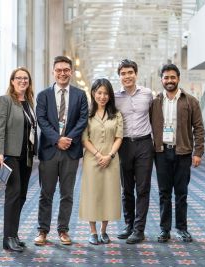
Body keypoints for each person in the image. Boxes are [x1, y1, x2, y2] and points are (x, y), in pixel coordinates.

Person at [34, 56, 88, 246]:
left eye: (66, 70)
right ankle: (42, 231)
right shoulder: (43, 95)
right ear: (53, 72)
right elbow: (41, 120)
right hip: (49, 150)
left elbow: (83, 120)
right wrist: (57, 139)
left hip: (70, 152)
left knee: (67, 194)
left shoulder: (80, 95)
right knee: (45, 193)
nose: (62, 73)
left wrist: (67, 140)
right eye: (59, 70)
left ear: (71, 72)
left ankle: (63, 230)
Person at [151, 63, 205, 243]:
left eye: (172, 77)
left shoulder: (190, 101)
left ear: (178, 79)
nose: (169, 81)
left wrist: (198, 152)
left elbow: (199, 128)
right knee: (164, 193)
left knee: (181, 193)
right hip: (161, 153)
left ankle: (182, 228)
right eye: (166, 78)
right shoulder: (155, 102)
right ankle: (164, 230)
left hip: (182, 152)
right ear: (161, 80)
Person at [0, 67, 37, 252]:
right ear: (12, 81)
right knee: (13, 194)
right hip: (10, 155)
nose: (22, 81)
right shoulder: (5, 101)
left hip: (25, 156)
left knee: (21, 195)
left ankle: (14, 234)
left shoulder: (28, 102)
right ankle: (8, 237)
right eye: (18, 78)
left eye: (25, 78)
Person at [79, 78, 123, 245]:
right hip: (92, 160)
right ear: (93, 93)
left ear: (110, 95)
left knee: (108, 195)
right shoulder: (87, 115)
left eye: (106, 93)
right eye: (99, 93)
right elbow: (85, 138)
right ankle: (93, 232)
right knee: (93, 194)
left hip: (111, 160)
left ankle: (104, 231)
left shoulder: (116, 114)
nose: (102, 96)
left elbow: (119, 137)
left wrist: (109, 155)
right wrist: (98, 155)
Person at [114, 59, 154, 244]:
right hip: (124, 146)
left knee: (143, 188)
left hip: (144, 144)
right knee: (127, 189)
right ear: (119, 76)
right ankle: (129, 225)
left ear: (136, 74)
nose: (127, 76)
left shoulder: (147, 94)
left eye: (130, 72)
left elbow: (156, 119)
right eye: (123, 73)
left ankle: (139, 229)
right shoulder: (115, 97)